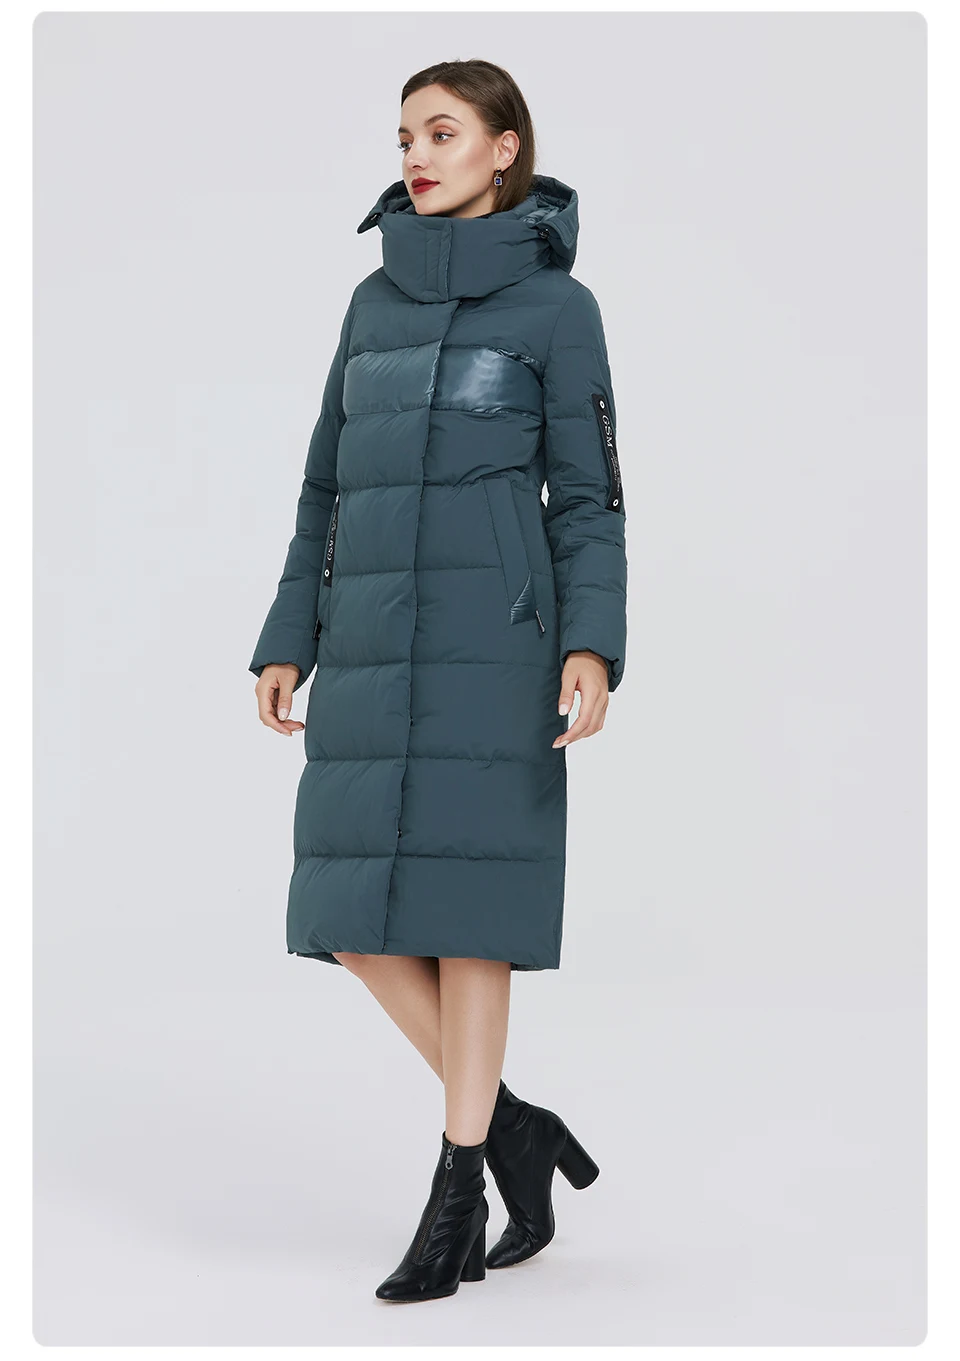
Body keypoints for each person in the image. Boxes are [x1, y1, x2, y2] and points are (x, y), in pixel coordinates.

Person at [249, 59, 628, 1303]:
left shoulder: (558, 309)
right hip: (368, 638)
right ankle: (517, 1128)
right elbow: (324, 484)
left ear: (504, 148)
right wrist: (289, 632)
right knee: (350, 914)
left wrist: (591, 642)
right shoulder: (371, 303)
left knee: (472, 923)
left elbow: (590, 497)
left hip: (496, 642)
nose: (415, 153)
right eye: (406, 134)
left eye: (444, 131)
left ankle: (457, 1190)